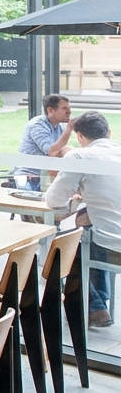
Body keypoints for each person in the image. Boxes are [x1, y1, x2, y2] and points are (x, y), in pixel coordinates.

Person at [44, 110, 121, 328]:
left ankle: (94, 306)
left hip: (111, 242)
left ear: (79, 137)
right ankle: (98, 304)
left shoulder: (81, 156)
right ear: (109, 132)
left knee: (68, 243)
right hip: (112, 233)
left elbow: (53, 200)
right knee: (88, 229)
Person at [12, 94, 74, 190]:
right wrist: (69, 129)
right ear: (50, 110)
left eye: (69, 108)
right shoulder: (37, 125)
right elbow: (52, 152)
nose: (69, 111)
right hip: (29, 179)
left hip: (46, 177)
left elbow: (60, 152)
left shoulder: (58, 127)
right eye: (64, 108)